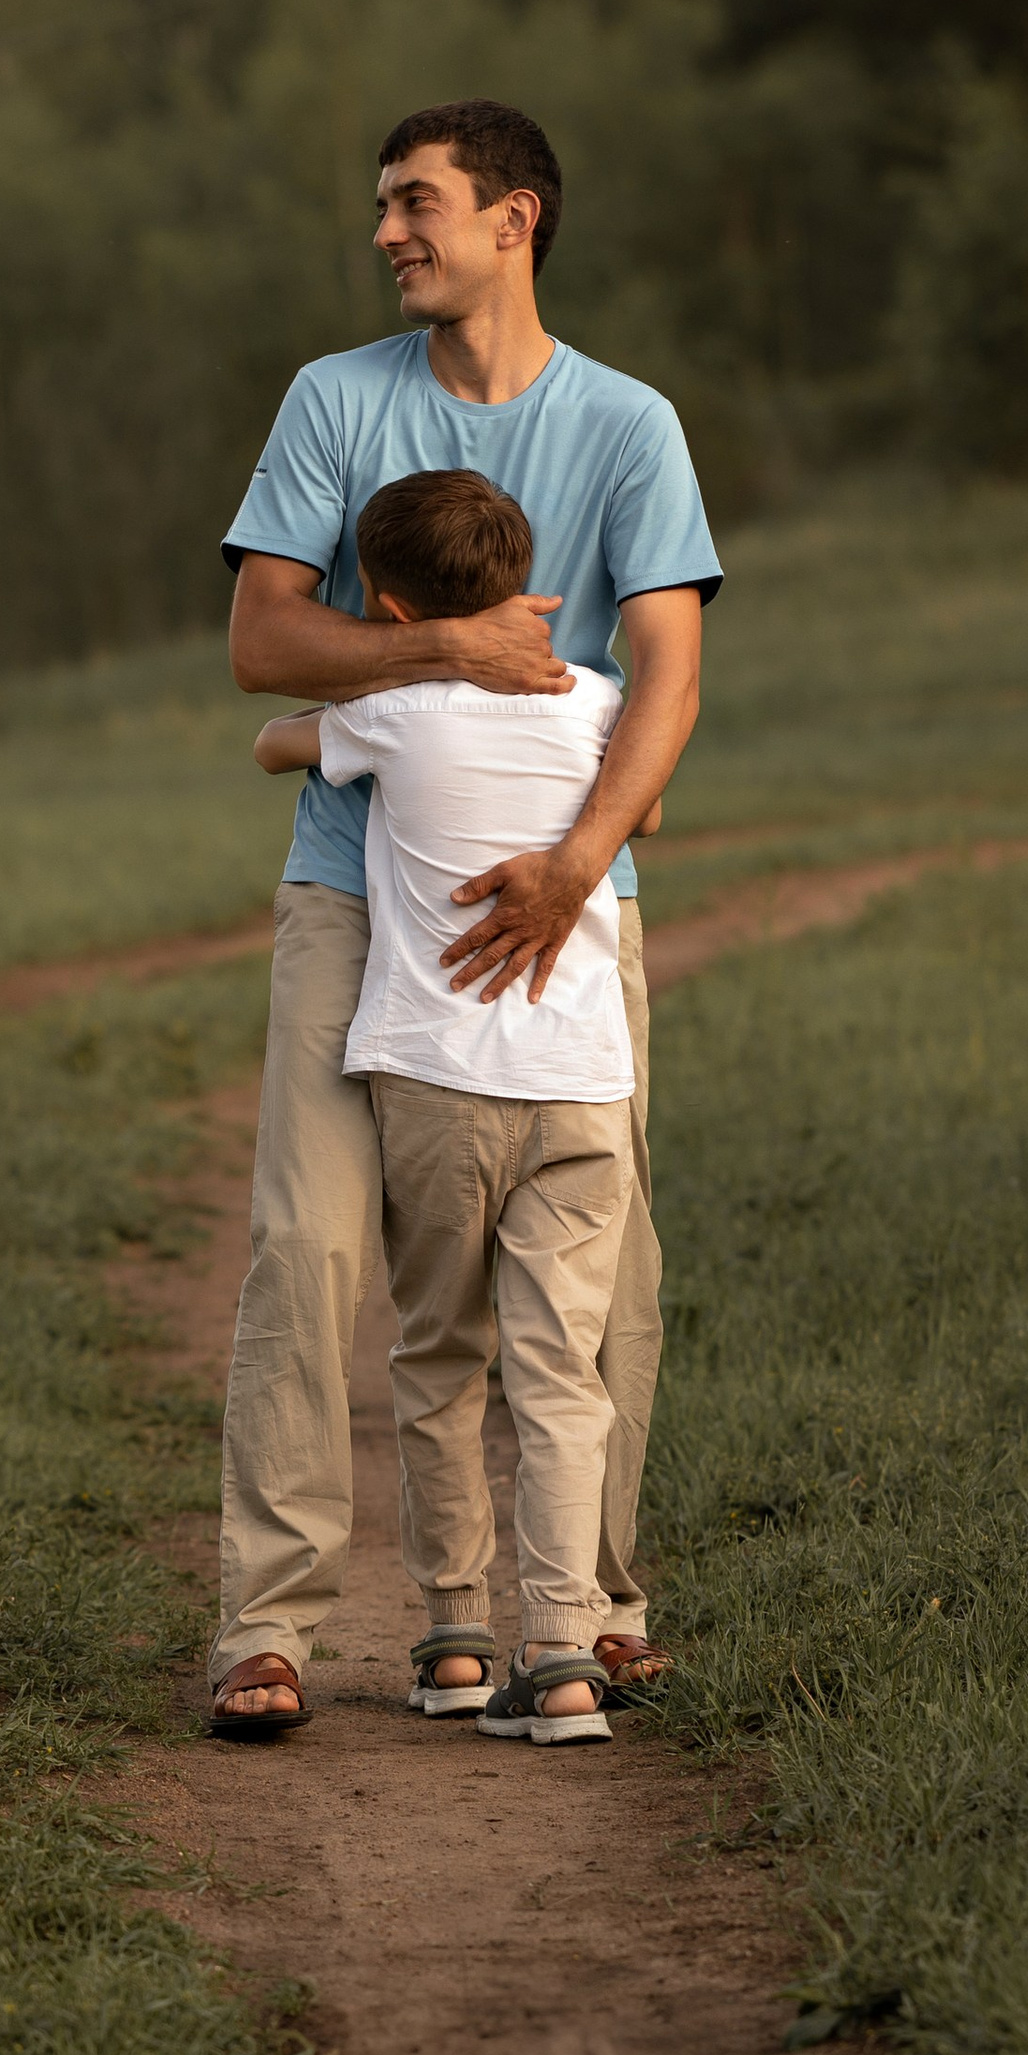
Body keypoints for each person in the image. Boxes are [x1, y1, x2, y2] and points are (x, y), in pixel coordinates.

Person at [211, 98, 717, 1741]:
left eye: (415, 202)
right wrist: (443, 653)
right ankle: (268, 1625)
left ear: (515, 217)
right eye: (381, 206)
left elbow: (668, 671)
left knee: (600, 1277)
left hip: (574, 907)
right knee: (311, 1244)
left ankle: (598, 1609)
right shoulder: (332, 400)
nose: (386, 233)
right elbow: (265, 644)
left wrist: (579, 866)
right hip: (353, 899)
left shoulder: (630, 422)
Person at [250, 470, 637, 1745]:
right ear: (524, 582)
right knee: (560, 1368)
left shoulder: (396, 708)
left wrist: (390, 666)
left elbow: (271, 741)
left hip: (437, 1082)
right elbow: (647, 764)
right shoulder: (595, 703)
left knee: (437, 1353)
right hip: (582, 1079)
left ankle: (457, 1634)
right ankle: (568, 1651)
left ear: (393, 601)